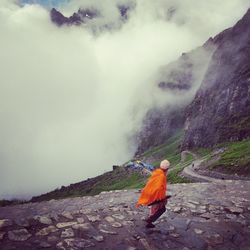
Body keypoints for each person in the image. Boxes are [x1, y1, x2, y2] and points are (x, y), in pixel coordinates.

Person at [136, 159, 170, 228]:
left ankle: (149, 222)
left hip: (152, 194)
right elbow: (158, 188)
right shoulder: (162, 176)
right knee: (162, 209)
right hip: (156, 197)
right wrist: (161, 198)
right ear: (167, 169)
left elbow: (151, 183)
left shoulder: (157, 172)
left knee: (154, 209)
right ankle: (149, 221)